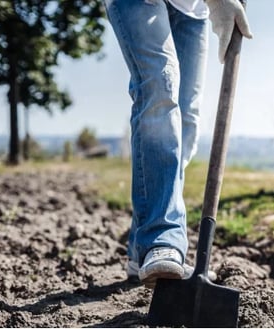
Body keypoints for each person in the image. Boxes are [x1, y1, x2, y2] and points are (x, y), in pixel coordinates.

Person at [103, 0, 252, 288]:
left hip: (192, 9)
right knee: (160, 86)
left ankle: (140, 247)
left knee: (185, 122)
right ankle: (162, 238)